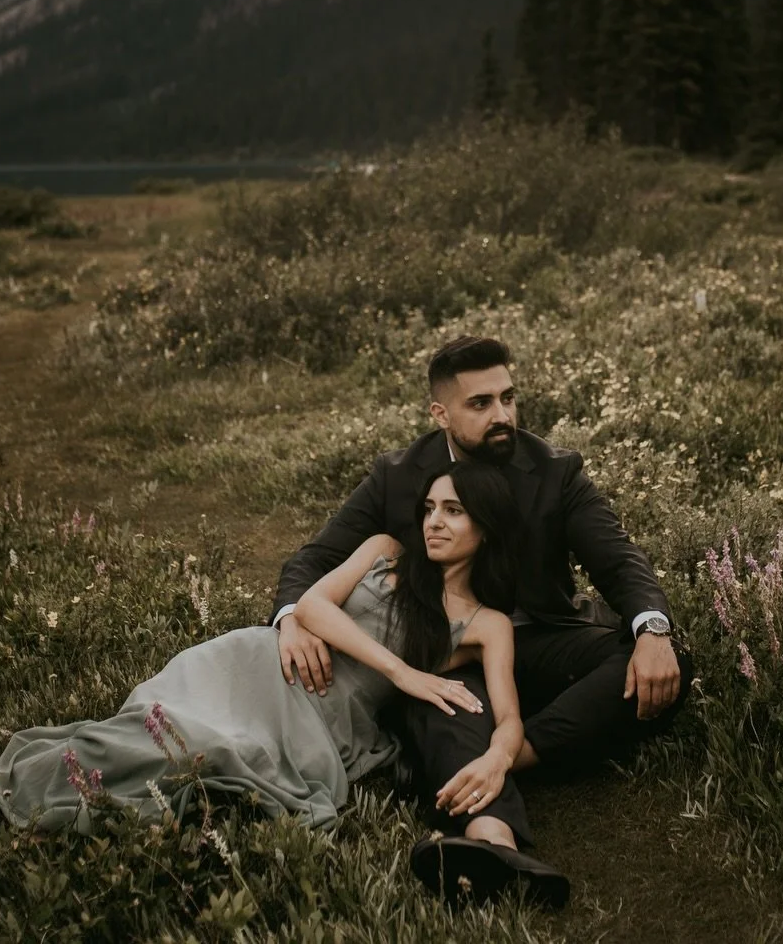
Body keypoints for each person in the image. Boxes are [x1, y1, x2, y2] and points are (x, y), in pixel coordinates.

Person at [0, 461, 568, 918]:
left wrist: (497, 757)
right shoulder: (386, 551)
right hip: (249, 667)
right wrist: (402, 671)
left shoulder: (485, 623)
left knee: (168, 776)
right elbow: (315, 606)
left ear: (486, 528)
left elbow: (506, 717)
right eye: (431, 507)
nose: (435, 521)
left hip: (313, 724)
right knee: (125, 739)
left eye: (455, 511)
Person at [271, 335, 693, 900]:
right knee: (446, 701)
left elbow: (619, 562)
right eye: (481, 403)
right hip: (448, 649)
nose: (503, 415)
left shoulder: (556, 471)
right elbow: (316, 558)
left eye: (508, 398)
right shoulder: (398, 476)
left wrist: (654, 629)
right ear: (440, 413)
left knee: (660, 660)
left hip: (538, 639)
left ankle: (506, 759)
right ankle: (494, 843)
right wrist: (293, 617)